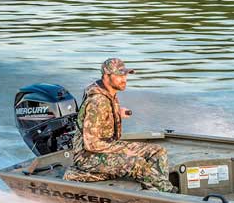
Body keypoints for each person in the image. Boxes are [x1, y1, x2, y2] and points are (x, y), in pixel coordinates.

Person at [63, 57, 176, 192]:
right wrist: (126, 151)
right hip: (87, 156)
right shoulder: (97, 102)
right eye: (119, 75)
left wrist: (116, 112)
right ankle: (168, 194)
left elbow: (101, 115)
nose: (124, 79)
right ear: (106, 76)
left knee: (158, 151)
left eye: (125, 75)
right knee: (136, 163)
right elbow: (91, 144)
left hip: (106, 147)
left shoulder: (108, 92)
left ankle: (156, 190)